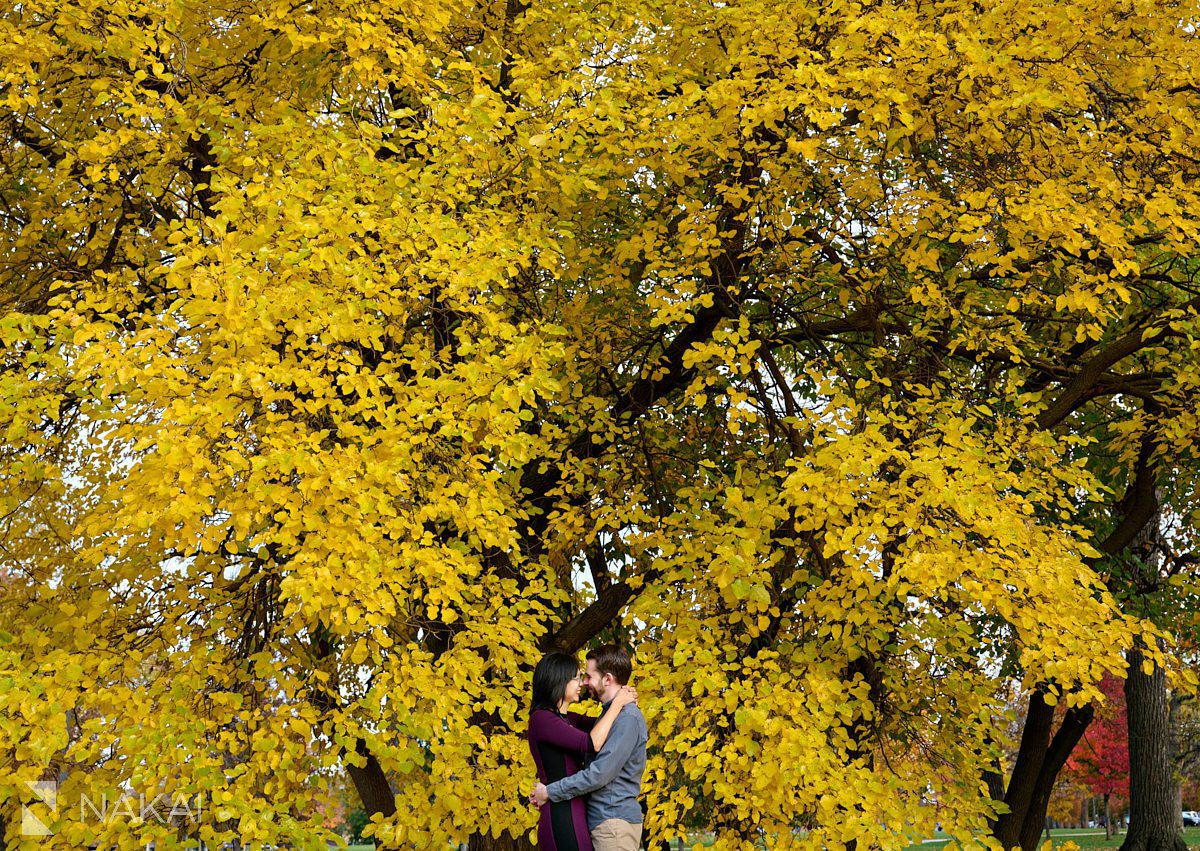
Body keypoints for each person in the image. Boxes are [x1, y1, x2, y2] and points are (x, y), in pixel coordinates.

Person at [530, 645, 648, 851]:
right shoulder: (543, 718)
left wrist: (620, 702)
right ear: (558, 681)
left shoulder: (618, 718)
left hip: (604, 820)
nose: (582, 683)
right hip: (568, 814)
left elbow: (599, 769)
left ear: (608, 679)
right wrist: (618, 702)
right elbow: (592, 742)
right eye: (576, 677)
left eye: (586, 676)